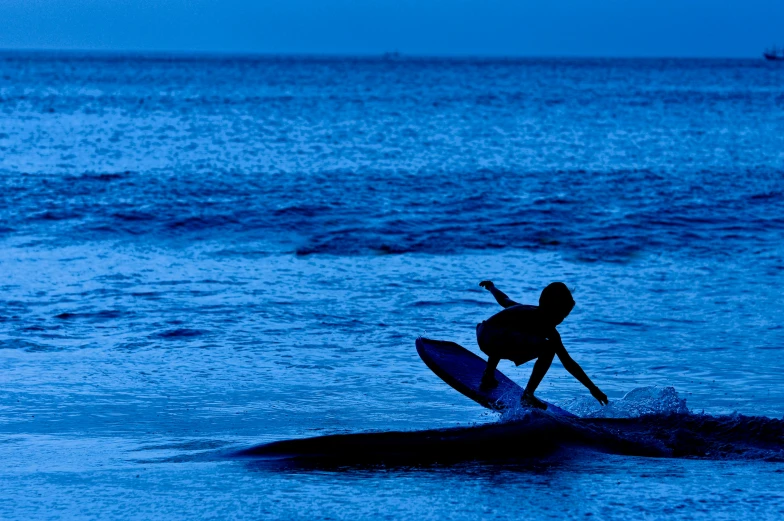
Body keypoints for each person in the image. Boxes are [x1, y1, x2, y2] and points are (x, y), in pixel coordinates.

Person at [476, 280, 608, 410]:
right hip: (494, 340)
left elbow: (504, 299)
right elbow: (568, 362)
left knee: (506, 329)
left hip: (483, 332)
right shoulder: (549, 329)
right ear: (551, 310)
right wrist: (593, 388)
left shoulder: (524, 309)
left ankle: (489, 374)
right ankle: (528, 394)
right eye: (561, 316)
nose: (561, 321)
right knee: (549, 348)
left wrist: (491, 287)